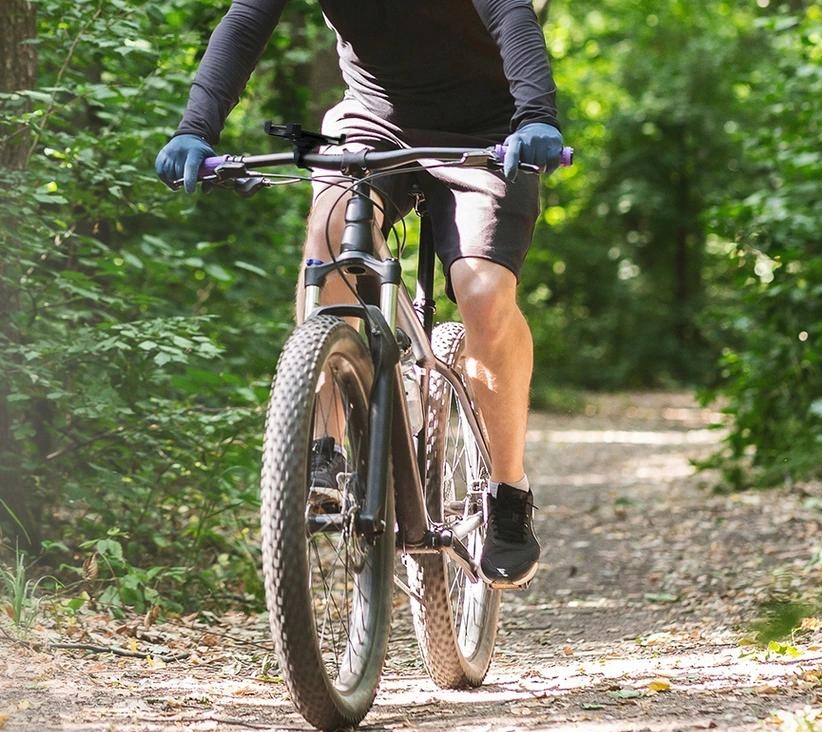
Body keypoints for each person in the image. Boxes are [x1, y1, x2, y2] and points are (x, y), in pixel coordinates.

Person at [154, 0, 564, 588]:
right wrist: (196, 128)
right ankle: (324, 448)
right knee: (327, 246)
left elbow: (511, 17)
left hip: (491, 131)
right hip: (372, 121)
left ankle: (507, 491)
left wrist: (536, 116)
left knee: (481, 291)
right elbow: (246, 21)